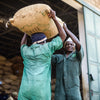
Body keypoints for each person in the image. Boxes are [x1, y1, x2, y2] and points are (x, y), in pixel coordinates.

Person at [18, 9, 66, 100]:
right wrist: (54, 18)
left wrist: (26, 31)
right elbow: (63, 36)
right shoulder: (47, 48)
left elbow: (22, 44)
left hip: (25, 89)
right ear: (43, 41)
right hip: (40, 91)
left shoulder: (25, 51)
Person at [51, 23, 84, 100]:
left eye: (72, 45)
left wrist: (66, 30)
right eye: (67, 44)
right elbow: (47, 55)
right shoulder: (59, 57)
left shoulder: (77, 56)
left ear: (74, 47)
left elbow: (78, 44)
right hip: (60, 89)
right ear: (64, 46)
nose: (69, 46)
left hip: (73, 88)